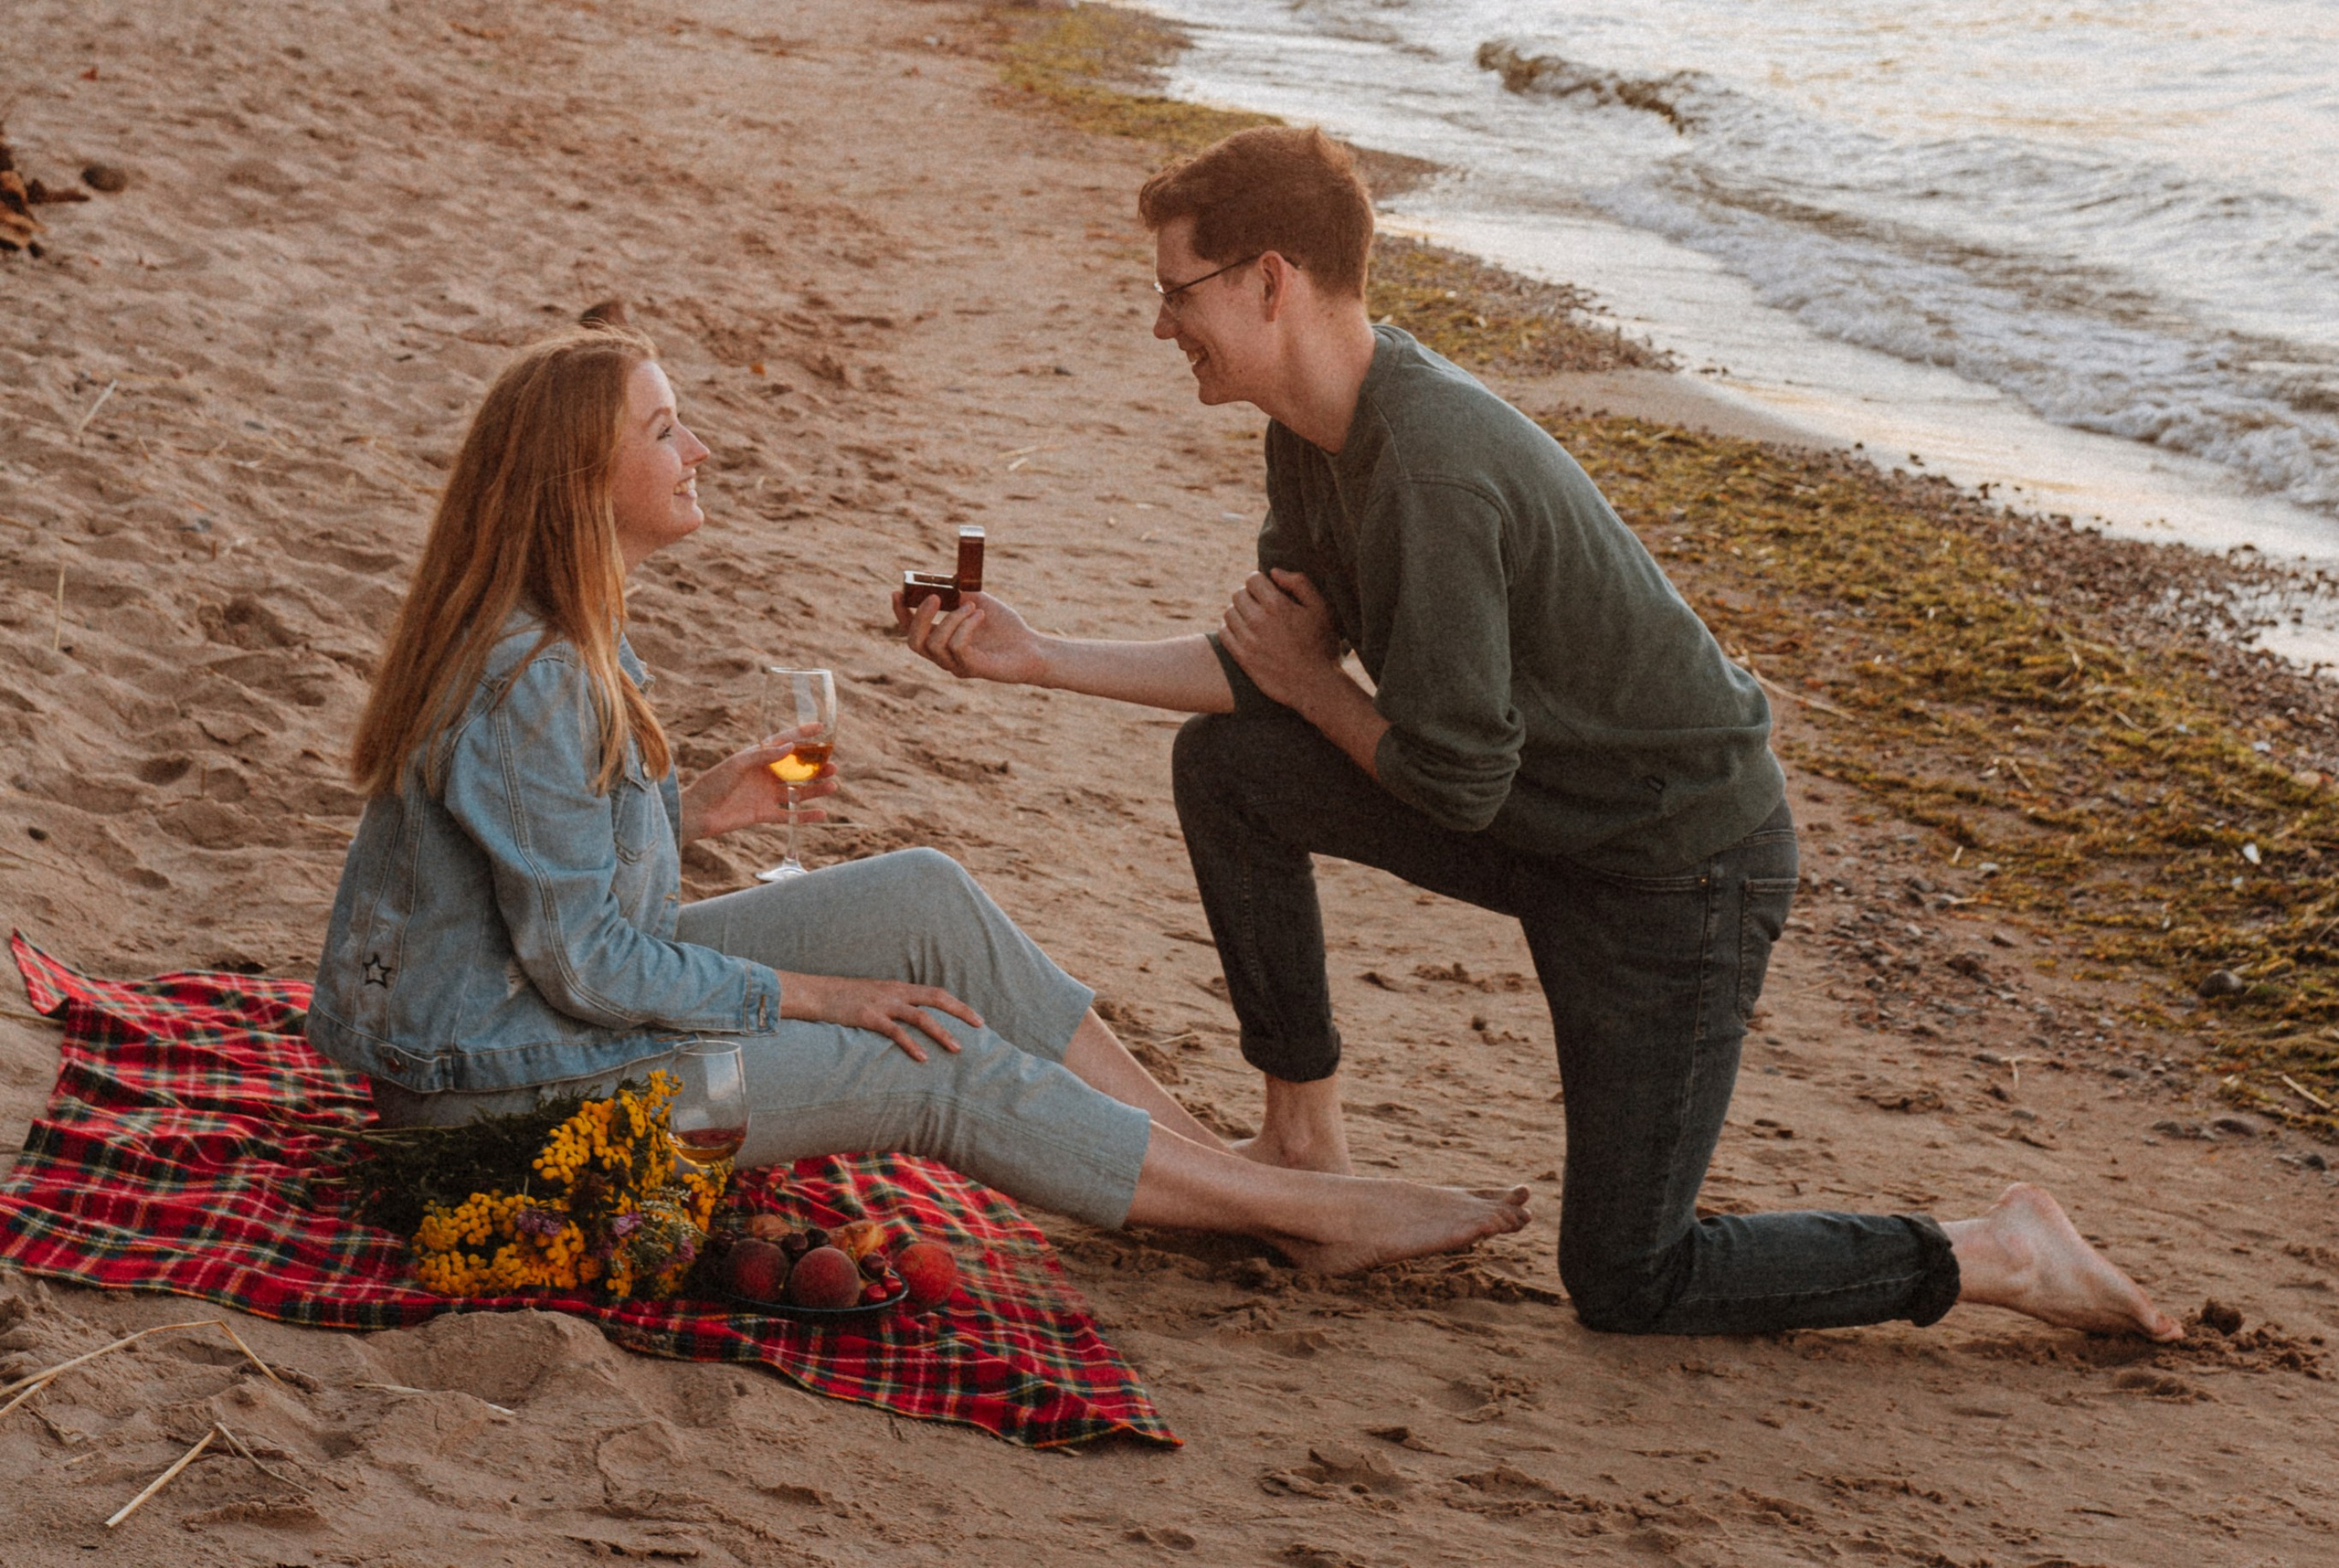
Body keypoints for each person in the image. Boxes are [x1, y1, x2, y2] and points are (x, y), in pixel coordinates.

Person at [899, 126, 2185, 1344]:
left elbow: (1437, 771)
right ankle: (1304, 1157)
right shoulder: (1316, 433)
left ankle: (1996, 1252)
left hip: (1676, 872)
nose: (1160, 320)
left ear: (1271, 281)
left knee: (1630, 1279)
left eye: (1179, 290)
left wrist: (1302, 685)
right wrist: (1036, 658)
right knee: (1234, 769)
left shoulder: (1435, 466)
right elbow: (1271, 670)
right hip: (1537, 819)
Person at [309, 323, 1528, 1278]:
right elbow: (584, 961)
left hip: (537, 1019)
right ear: (583, 475)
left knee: (922, 901)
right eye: (667, 431)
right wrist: (823, 998)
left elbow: (533, 868)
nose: (702, 452)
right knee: (923, 1057)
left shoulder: (561, 628)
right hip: (503, 1099)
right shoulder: (534, 675)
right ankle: (1299, 1215)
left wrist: (690, 811)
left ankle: (1218, 1180)